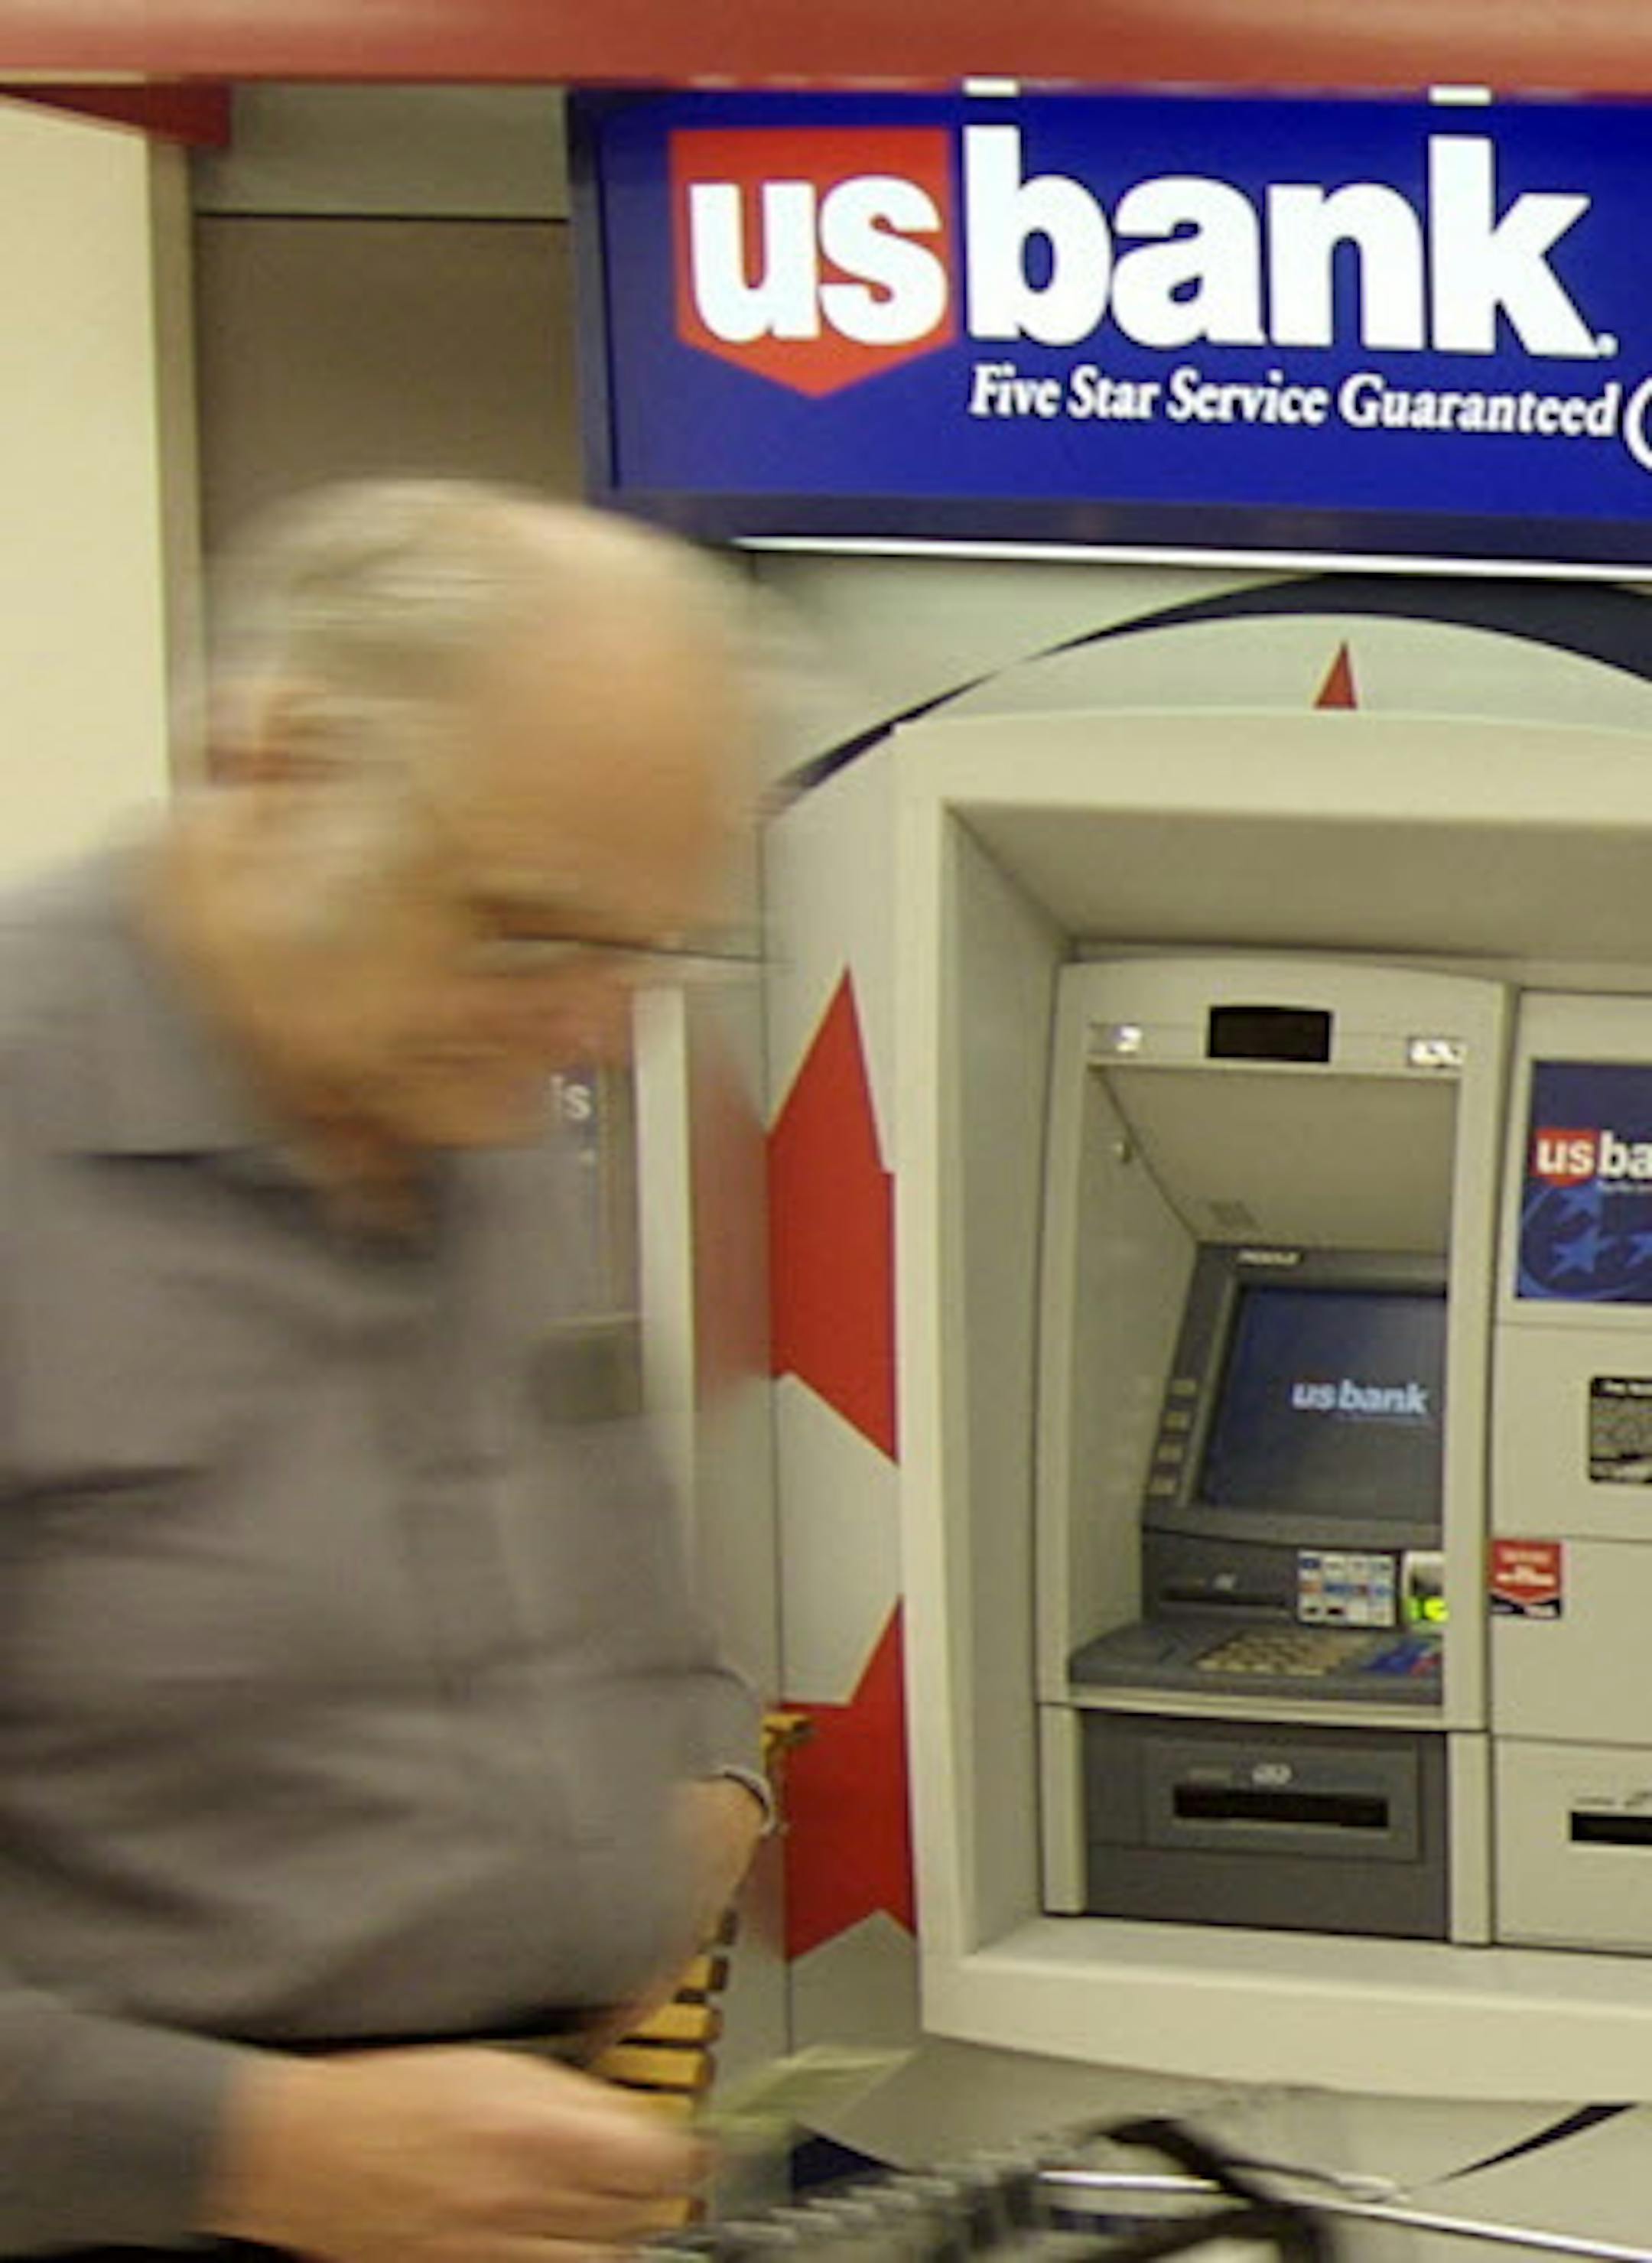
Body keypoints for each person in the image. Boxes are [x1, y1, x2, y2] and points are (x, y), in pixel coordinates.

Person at [0, 481, 772, 2261]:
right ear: (272, 767)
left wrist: (703, 1765)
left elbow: (617, 1605)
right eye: (526, 928)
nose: (593, 1026)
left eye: (646, 949)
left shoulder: (453, 1100)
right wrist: (244, 2150)